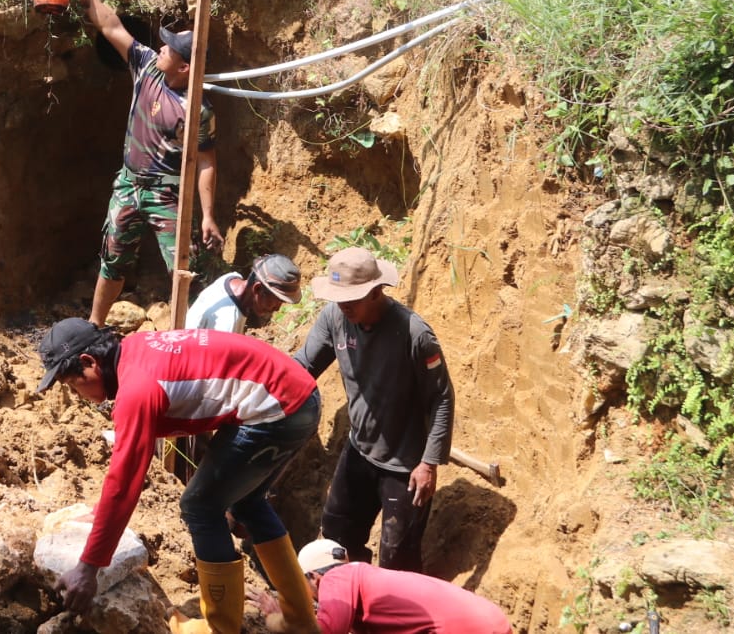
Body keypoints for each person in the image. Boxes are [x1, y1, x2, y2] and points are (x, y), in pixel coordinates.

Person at [37, 320, 321, 634]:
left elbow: (125, 482)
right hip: (296, 396)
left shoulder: (137, 389)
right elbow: (123, 475)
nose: (76, 394)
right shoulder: (134, 352)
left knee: (201, 506)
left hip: (276, 407)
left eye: (72, 384)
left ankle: (220, 629)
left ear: (90, 363)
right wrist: (103, 513)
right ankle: (301, 621)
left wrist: (88, 567)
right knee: (247, 502)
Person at [72, 0, 222, 327]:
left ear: (184, 67)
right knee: (113, 259)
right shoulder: (147, 68)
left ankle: (193, 333)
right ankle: (95, 326)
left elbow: (205, 162)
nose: (160, 47)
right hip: (128, 185)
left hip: (166, 194)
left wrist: (208, 215)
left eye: (169, 48)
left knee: (185, 267)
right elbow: (110, 26)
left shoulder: (196, 109)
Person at [293, 247, 455, 573]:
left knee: (397, 559)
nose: (344, 306)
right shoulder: (334, 319)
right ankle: (351, 609)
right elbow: (301, 368)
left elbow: (442, 398)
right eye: (339, 298)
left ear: (376, 290)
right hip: (359, 450)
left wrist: (429, 463)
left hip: (405, 465)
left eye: (352, 298)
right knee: (337, 534)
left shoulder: (414, 334)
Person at [260, 538, 512, 634]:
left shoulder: (339, 577)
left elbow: (325, 632)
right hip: (494, 623)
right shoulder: (369, 581)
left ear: (314, 577)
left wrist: (275, 619)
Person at [185, 253, 303, 333]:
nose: (277, 309)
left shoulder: (232, 278)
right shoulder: (227, 323)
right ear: (257, 289)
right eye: (277, 301)